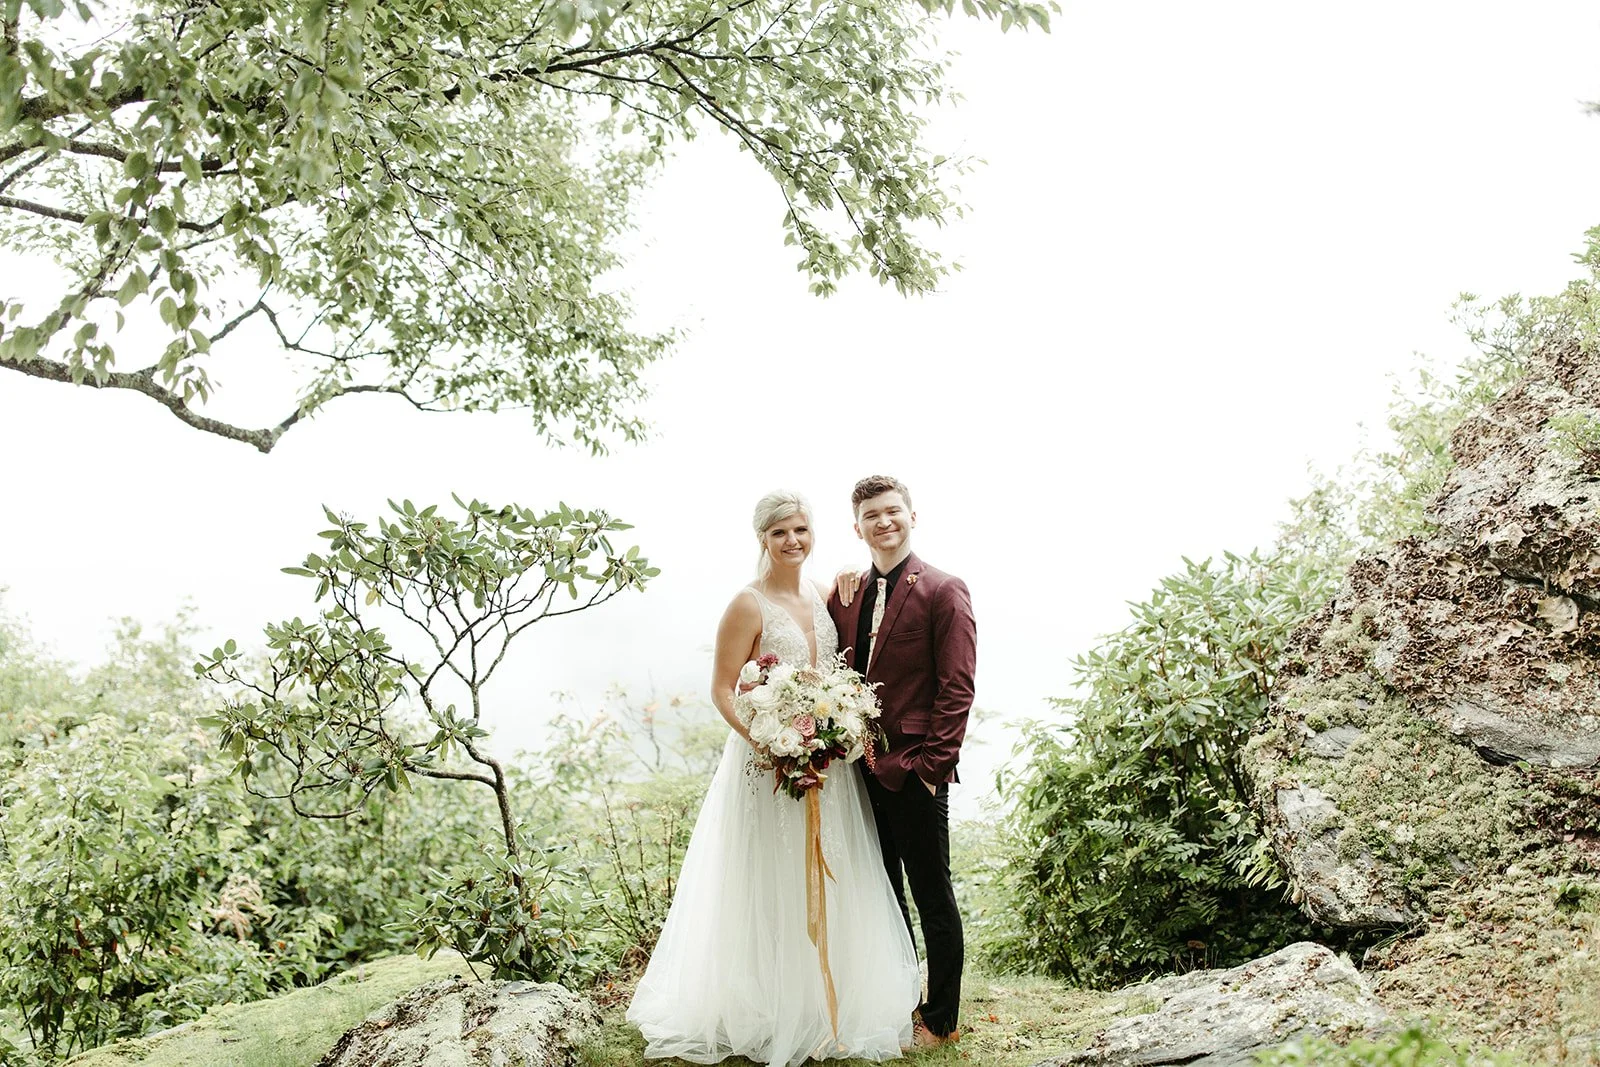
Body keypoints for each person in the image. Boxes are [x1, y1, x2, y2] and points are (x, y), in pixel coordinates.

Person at [627, 490, 919, 1066]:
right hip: (767, 766)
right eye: (781, 532)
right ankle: (768, 1005)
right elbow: (721, 689)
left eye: (802, 530)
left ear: (815, 534)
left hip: (827, 768)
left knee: (834, 877)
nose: (793, 541)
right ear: (762, 538)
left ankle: (827, 1005)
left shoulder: (822, 593)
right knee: (770, 879)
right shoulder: (747, 603)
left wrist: (828, 733)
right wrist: (770, 744)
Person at [829, 475, 976, 1050]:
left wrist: (930, 770)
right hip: (857, 770)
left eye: (893, 512)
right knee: (884, 895)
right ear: (857, 526)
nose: (883, 522)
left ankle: (940, 1020)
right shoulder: (850, 591)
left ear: (912, 515)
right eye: (871, 515)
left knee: (931, 895)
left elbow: (956, 687)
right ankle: (896, 1004)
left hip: (915, 769)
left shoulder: (943, 589)